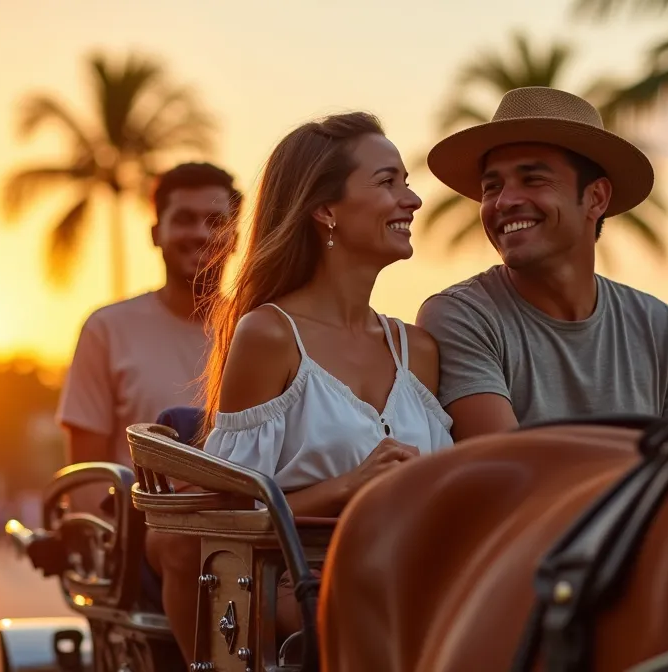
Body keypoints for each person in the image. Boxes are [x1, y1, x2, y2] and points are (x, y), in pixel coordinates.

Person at [147, 111, 453, 662]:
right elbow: (227, 519)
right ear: (325, 210)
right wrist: (346, 486)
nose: (412, 200)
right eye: (387, 182)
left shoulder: (419, 349)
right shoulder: (270, 335)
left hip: (422, 580)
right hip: (309, 591)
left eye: (405, 183)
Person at [417, 86, 668, 441]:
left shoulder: (663, 330)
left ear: (596, 197)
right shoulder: (463, 316)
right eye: (491, 187)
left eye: (533, 179)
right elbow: (507, 463)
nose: (504, 201)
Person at [56, 162, 243, 467]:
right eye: (184, 219)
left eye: (215, 221)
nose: (200, 233)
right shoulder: (107, 330)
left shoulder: (263, 330)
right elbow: (87, 479)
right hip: (135, 501)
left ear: (235, 238)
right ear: (156, 234)